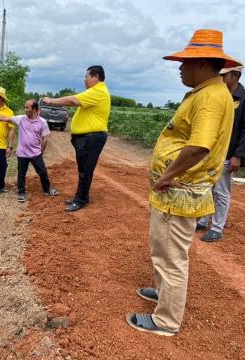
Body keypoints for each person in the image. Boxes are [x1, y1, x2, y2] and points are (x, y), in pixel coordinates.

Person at [126, 29, 239, 336]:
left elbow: (199, 146)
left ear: (203, 64)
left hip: (180, 191)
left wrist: (166, 175)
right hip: (177, 191)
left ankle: (166, 320)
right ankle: (164, 294)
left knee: (172, 256)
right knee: (162, 249)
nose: (179, 68)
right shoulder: (209, 93)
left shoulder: (211, 98)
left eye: (184, 62)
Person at [42, 65, 111, 212]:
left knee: (85, 170)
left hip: (92, 138)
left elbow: (73, 101)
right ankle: (80, 197)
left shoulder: (98, 92)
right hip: (88, 138)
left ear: (95, 77)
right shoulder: (95, 92)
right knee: (83, 169)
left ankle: (81, 200)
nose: (84, 79)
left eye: (86, 76)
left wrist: (51, 101)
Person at [196, 65, 245, 242]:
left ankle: (217, 228)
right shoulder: (220, 95)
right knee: (206, 186)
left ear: (236, 75)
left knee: (222, 191)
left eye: (225, 75)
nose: (221, 78)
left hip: (228, 153)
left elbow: (244, 131)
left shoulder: (242, 98)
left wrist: (238, 155)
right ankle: (203, 220)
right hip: (212, 151)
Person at [0, 99, 59, 202]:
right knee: (21, 174)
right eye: (24, 107)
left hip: (36, 153)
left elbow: (45, 139)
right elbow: (4, 118)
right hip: (22, 154)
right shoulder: (21, 119)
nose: (25, 109)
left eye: (27, 107)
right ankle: (21, 193)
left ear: (35, 109)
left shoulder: (42, 122)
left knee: (42, 172)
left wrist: (41, 152)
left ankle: (47, 189)